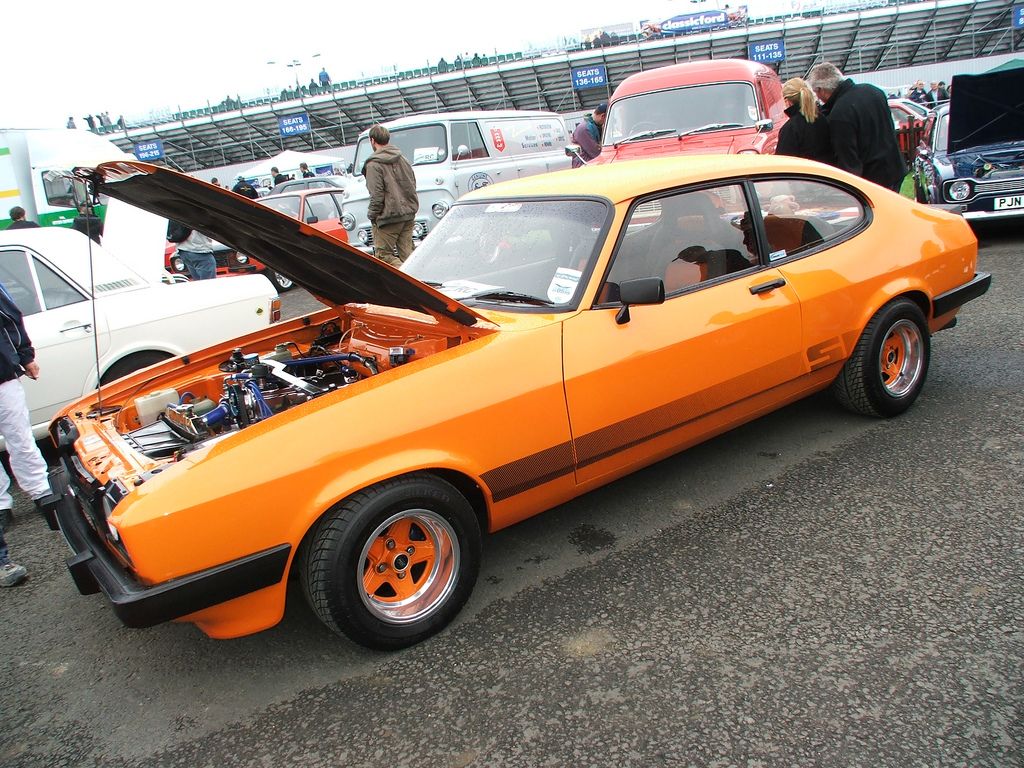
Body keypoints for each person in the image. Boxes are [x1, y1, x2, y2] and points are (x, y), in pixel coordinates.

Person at [0, 280, 56, 587]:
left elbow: (11, 317)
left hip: (3, 376)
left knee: (20, 438)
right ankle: (2, 503)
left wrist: (25, 356)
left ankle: (40, 491)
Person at [808, 61, 905, 192]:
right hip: (895, 167)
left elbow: (849, 161)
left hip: (872, 180)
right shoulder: (873, 91)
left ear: (821, 90)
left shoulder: (839, 113)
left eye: (816, 93)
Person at [363, 123, 419, 266]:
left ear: (372, 140)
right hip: (408, 214)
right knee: (409, 255)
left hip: (388, 217)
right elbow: (412, 184)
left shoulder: (373, 165)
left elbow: (376, 195)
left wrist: (372, 215)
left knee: (384, 256)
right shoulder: (403, 159)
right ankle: (418, 276)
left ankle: (405, 278)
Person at [776, 77, 834, 164]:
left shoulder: (790, 128)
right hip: (827, 170)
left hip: (804, 172)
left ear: (787, 101)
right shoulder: (823, 118)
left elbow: (782, 162)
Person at [570, 102, 607, 167]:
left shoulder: (594, 126)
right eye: (606, 120)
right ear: (603, 116)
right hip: (584, 165)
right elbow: (595, 152)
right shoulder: (585, 129)